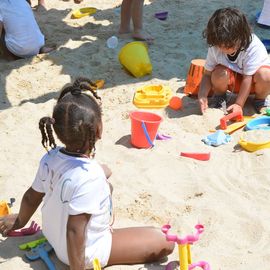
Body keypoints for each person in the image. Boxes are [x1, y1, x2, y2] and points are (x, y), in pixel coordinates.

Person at [0, 77, 174, 269]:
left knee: (105, 181)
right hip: (82, 253)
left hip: (52, 234)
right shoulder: (90, 177)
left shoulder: (51, 158)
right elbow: (75, 230)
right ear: (98, 130)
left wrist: (20, 220)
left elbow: (32, 197)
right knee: (165, 241)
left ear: (57, 131)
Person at [198, 7, 270, 115]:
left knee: (266, 75)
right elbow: (207, 74)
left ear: (241, 36)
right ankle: (220, 97)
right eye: (219, 45)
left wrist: (239, 104)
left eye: (228, 45)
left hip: (254, 82)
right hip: (232, 81)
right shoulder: (215, 46)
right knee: (218, 73)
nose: (223, 49)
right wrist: (202, 95)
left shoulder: (252, 46)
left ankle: (260, 100)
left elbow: (247, 78)